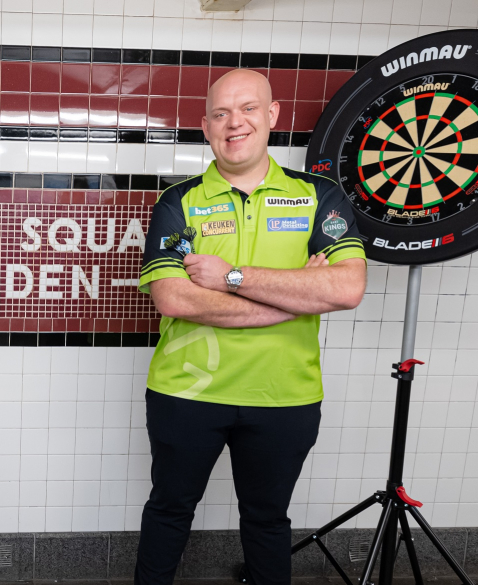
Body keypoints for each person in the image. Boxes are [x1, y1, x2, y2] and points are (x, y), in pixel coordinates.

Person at [135, 70, 368, 585]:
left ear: (272, 115)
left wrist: (230, 278)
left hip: (284, 395)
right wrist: (294, 301)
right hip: (187, 390)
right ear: (205, 126)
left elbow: (346, 289)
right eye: (220, 114)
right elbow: (173, 298)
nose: (233, 122)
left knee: (267, 522)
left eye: (247, 109)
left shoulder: (319, 196)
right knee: (170, 511)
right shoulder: (179, 202)